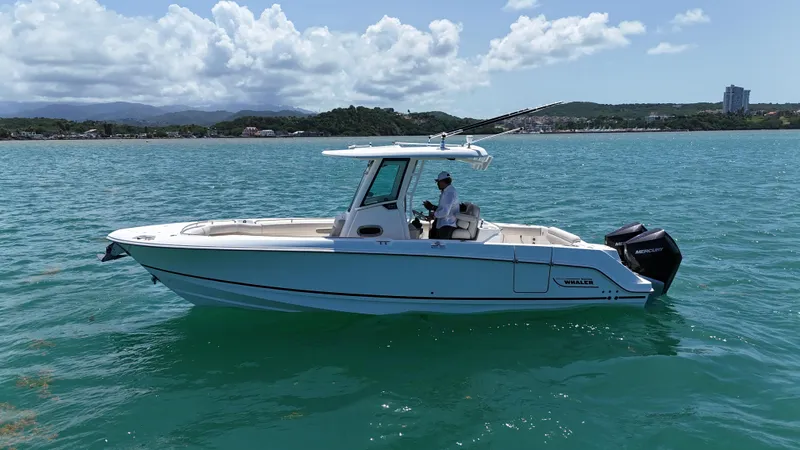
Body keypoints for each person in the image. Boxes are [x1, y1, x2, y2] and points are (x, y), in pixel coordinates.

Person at [423, 171, 459, 239]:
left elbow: (445, 212)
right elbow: (444, 208)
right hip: (442, 224)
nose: (437, 184)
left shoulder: (449, 193)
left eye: (438, 182)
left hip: (447, 225)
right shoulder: (447, 191)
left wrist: (433, 215)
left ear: (442, 182)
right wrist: (432, 207)